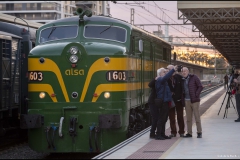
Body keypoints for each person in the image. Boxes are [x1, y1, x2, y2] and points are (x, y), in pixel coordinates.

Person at [155, 65, 178, 140]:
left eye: (165, 72)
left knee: (164, 119)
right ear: (159, 74)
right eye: (163, 72)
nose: (165, 73)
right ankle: (158, 135)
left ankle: (162, 133)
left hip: (166, 101)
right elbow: (166, 77)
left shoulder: (164, 81)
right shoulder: (160, 80)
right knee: (161, 119)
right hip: (162, 102)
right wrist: (173, 70)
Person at [181, 67, 203, 138]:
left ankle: (199, 132)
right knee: (188, 118)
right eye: (182, 71)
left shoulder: (194, 77)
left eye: (185, 71)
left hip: (194, 101)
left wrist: (196, 95)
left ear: (188, 71)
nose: (184, 72)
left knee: (197, 117)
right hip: (187, 101)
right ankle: (189, 133)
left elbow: (200, 86)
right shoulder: (182, 80)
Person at [167, 65, 185, 138]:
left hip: (179, 100)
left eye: (171, 69)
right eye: (168, 69)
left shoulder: (179, 77)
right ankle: (173, 132)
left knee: (180, 117)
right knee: (171, 118)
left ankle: (181, 132)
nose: (170, 70)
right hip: (170, 101)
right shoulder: (167, 78)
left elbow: (183, 87)